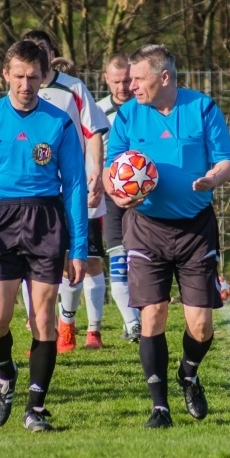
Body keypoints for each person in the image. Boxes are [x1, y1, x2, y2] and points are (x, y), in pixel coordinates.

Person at [0, 40, 88, 432]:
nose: (26, 84)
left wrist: (78, 247)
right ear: (5, 75)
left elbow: (76, 186)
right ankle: (5, 373)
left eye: (33, 76)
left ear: (44, 76)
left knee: (43, 319)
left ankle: (35, 408)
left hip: (45, 220)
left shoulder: (59, 122)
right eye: (18, 76)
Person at [103, 44, 230, 428]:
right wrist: (118, 190)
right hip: (145, 229)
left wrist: (212, 178)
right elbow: (115, 169)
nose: (131, 85)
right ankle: (159, 407)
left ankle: (189, 373)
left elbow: (226, 160)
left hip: (195, 228)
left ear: (164, 78)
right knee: (153, 314)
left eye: (138, 78)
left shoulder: (202, 108)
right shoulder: (128, 115)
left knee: (200, 325)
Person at [21, 30, 110, 352]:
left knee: (85, 258)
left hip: (75, 188)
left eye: (42, 50)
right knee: (38, 263)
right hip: (37, 193)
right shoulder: (19, 92)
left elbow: (95, 131)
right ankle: (41, 328)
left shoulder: (73, 88)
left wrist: (96, 172)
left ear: (51, 53)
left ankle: (80, 328)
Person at [96, 52, 142, 342]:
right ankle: (132, 323)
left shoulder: (144, 108)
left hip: (143, 196)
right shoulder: (97, 111)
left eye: (127, 80)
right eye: (117, 81)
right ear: (106, 80)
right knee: (117, 257)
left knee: (138, 259)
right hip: (110, 195)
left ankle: (135, 319)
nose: (123, 87)